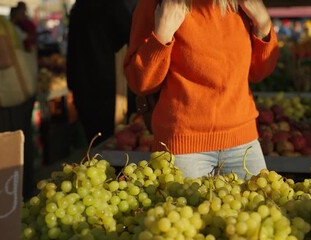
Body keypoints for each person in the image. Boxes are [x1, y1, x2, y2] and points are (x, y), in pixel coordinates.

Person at [124, 0, 279, 179]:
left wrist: (263, 24)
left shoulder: (241, 3)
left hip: (243, 143)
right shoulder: (155, 4)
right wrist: (162, 34)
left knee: (259, 205)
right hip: (182, 147)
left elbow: (259, 73)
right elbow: (139, 83)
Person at [66, 0, 135, 146]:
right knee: (112, 142)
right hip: (108, 86)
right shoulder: (112, 5)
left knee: (94, 141)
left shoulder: (78, 8)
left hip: (81, 86)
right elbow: (132, 35)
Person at [0, 1, 37, 199]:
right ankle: (23, 193)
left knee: (10, 149)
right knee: (21, 145)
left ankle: (13, 198)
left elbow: (5, 60)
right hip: (19, 94)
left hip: (9, 97)